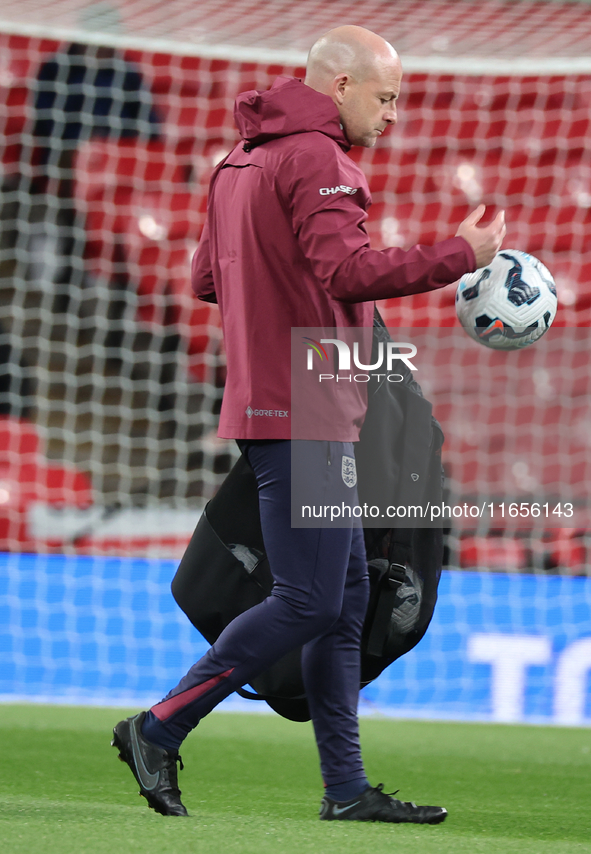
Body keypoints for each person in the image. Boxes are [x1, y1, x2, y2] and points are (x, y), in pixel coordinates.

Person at [112, 25, 505, 821]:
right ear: (339, 87)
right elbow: (347, 270)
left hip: (269, 399)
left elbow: (204, 279)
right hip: (308, 406)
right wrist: (457, 255)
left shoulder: (237, 161)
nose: (392, 115)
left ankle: (346, 788)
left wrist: (278, 300)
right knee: (311, 600)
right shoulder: (320, 160)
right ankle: (159, 725)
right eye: (385, 97)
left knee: (344, 597)